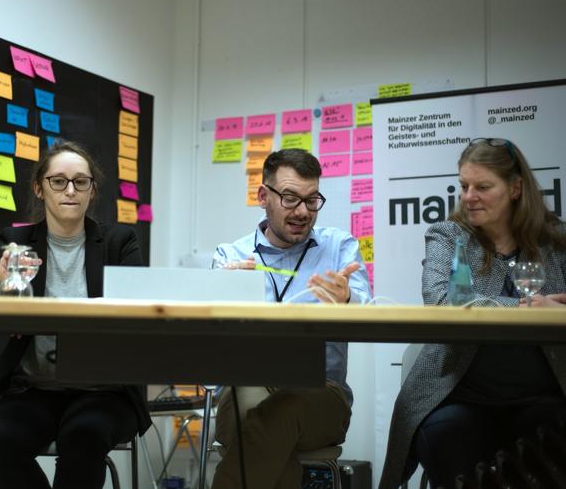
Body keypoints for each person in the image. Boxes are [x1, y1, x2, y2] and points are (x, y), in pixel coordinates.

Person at [380, 138, 566, 489]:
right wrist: (532, 308)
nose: (469, 197)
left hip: (544, 394)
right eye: (464, 186)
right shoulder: (448, 236)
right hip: (459, 394)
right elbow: (439, 302)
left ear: (515, 189)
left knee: (549, 434)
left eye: (482, 187)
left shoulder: (556, 240)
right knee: (448, 435)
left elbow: (465, 300)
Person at [0, 141, 151, 489]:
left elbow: (135, 315)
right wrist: (0, 287)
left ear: (92, 190)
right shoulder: (16, 241)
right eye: (58, 181)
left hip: (105, 392)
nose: (70, 190)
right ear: (39, 188)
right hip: (33, 389)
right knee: (1, 444)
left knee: (83, 439)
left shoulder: (120, 242)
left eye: (81, 182)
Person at [211, 148, 371, 489]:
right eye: (290, 198)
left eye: (312, 200)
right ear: (263, 196)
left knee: (276, 413)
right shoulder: (231, 256)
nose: (302, 212)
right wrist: (224, 293)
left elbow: (367, 317)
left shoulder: (339, 247)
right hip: (243, 388)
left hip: (321, 394)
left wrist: (347, 300)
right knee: (260, 412)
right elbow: (208, 342)